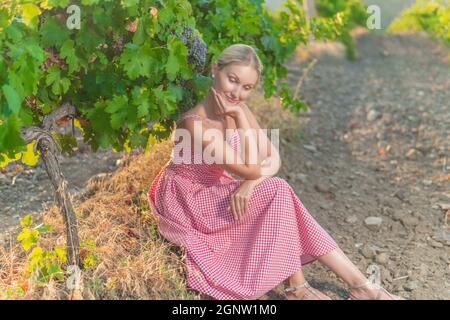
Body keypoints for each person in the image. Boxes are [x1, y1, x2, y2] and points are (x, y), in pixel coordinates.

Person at [147, 44, 404, 300]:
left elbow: (272, 157)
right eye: (232, 80)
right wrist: (238, 119)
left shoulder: (238, 108)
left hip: (212, 190)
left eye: (247, 88)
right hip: (187, 201)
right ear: (215, 69)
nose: (236, 92)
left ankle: (338, 286)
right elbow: (252, 167)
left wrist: (249, 183)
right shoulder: (195, 124)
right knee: (278, 190)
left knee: (278, 191)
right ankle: (335, 287)